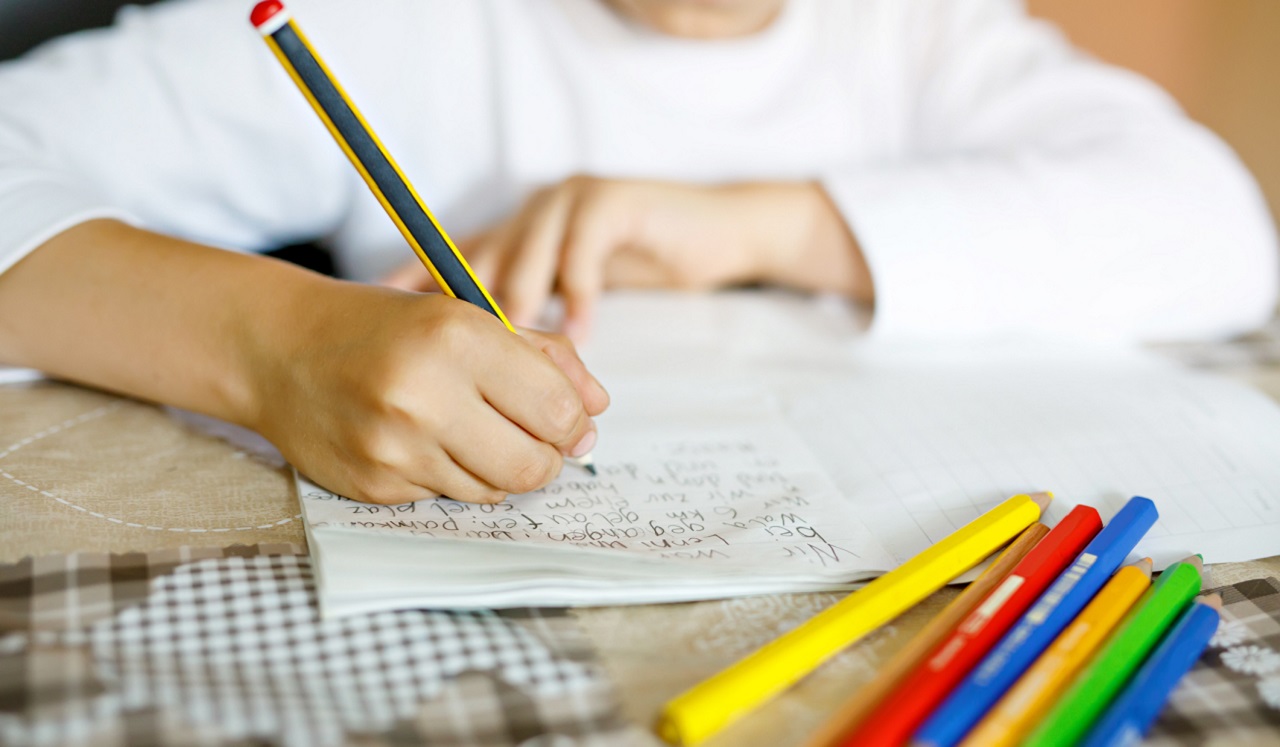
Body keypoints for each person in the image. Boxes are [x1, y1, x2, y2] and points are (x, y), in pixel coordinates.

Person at [0, 0, 1274, 506]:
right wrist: (269, 341)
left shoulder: (913, 30)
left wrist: (767, 225)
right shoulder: (388, 22)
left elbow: (1216, 228)